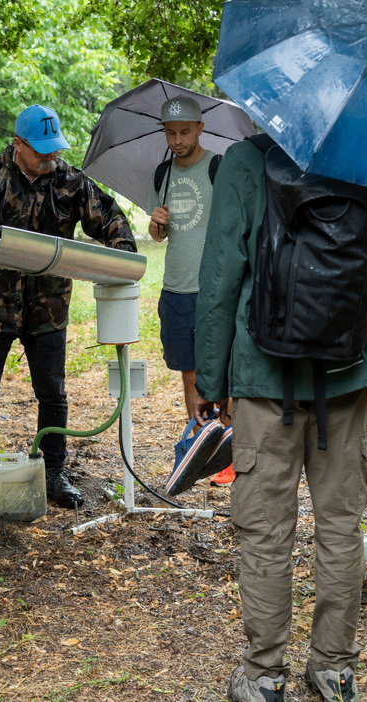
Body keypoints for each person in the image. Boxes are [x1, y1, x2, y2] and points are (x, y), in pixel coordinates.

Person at [192, 137, 367, 702]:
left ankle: (262, 675)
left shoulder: (244, 161)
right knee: (339, 528)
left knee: (264, 531)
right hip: (345, 379)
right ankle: (334, 669)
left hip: (263, 381)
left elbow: (219, 279)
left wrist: (210, 383)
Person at [0, 104, 137, 514]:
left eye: (54, 151)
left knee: (52, 393)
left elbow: (111, 221)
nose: (50, 158)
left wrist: (123, 261)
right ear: (18, 144)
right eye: (41, 151)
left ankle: (54, 471)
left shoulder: (71, 182)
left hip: (48, 309)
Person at [147, 96, 234, 486]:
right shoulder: (161, 174)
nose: (177, 139)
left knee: (222, 372)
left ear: (200, 128)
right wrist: (157, 223)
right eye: (170, 132)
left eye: (185, 131)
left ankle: (229, 451)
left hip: (213, 287)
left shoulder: (217, 167)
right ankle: (200, 443)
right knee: (189, 372)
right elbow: (158, 235)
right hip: (176, 287)